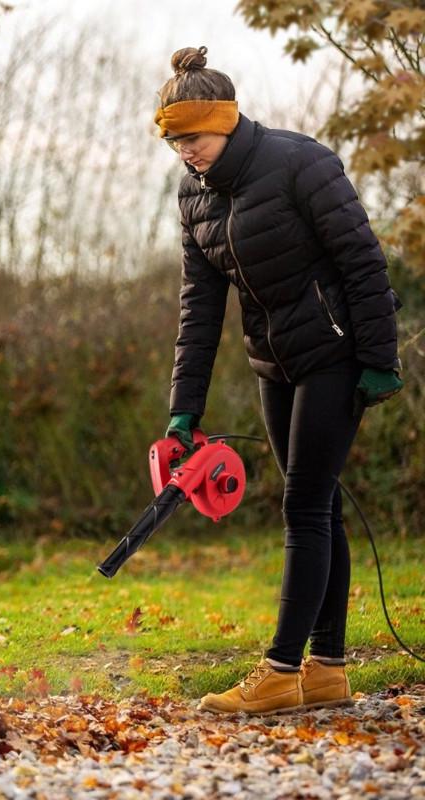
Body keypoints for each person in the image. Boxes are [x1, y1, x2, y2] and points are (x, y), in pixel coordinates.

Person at [155, 46, 403, 715]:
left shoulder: (300, 162)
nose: (186, 152)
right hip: (274, 362)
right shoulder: (193, 195)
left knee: (304, 505)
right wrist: (184, 409)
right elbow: (199, 308)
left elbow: (362, 259)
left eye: (194, 138)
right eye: (174, 141)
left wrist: (381, 357)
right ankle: (327, 668)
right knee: (318, 508)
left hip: (337, 353)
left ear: (227, 121)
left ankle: (281, 670)